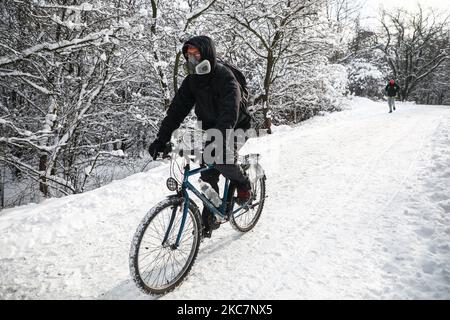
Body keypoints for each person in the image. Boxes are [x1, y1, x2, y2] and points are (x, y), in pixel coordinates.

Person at [148, 35, 252, 238]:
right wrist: (162, 139)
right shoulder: (192, 82)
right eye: (189, 55)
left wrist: (218, 140)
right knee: (207, 172)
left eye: (196, 54)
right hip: (209, 128)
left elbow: (229, 113)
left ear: (207, 54)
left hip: (237, 126)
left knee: (220, 158)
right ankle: (211, 215)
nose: (193, 59)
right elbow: (176, 111)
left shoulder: (225, 78)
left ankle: (243, 183)